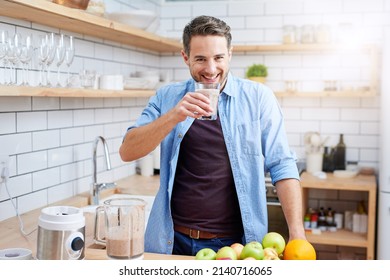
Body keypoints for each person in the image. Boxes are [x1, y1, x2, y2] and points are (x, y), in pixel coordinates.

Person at [119, 15, 306, 256]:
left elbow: (282, 164)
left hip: (236, 247)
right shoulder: (167, 97)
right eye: (200, 59)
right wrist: (174, 115)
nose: (210, 69)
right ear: (185, 57)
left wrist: (297, 234)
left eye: (218, 58)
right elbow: (127, 151)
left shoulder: (259, 98)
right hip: (171, 241)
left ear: (230, 54)